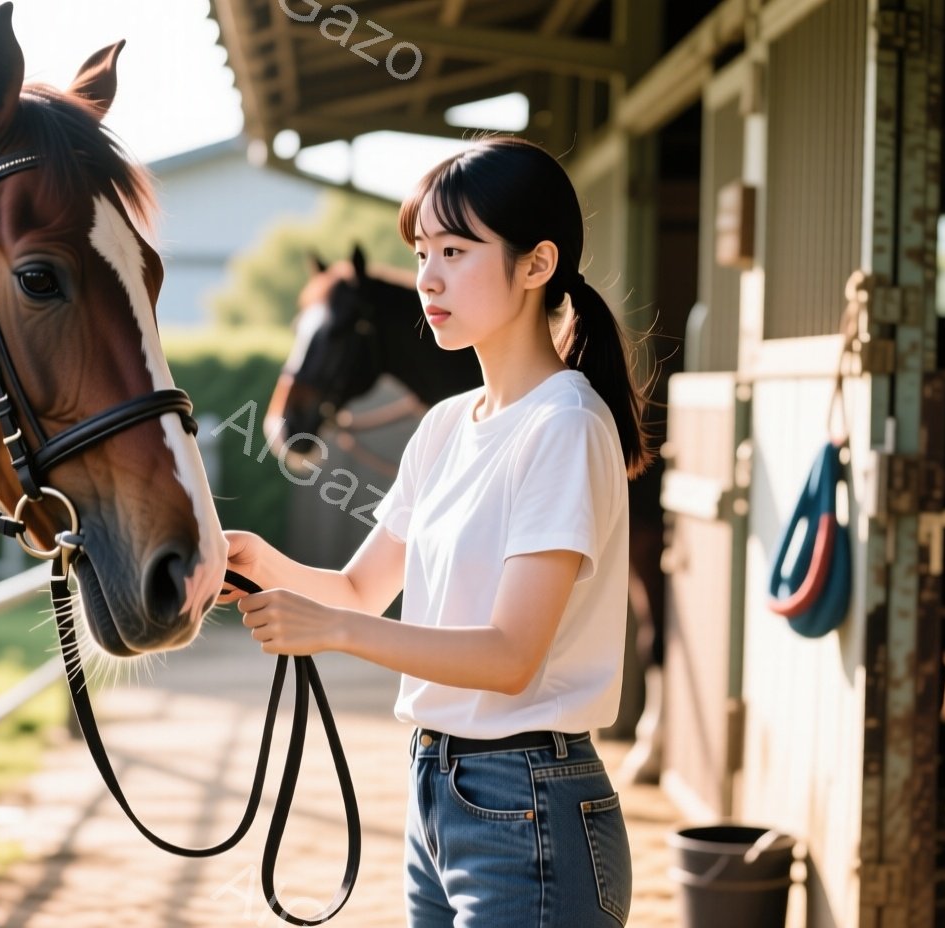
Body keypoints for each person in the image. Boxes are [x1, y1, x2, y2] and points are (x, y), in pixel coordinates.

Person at [217, 135, 654, 927]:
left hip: (528, 805)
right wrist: (254, 558)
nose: (426, 277)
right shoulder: (449, 425)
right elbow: (359, 587)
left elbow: (510, 656)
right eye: (422, 251)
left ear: (536, 263)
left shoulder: (564, 425)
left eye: (455, 249)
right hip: (437, 792)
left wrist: (336, 633)